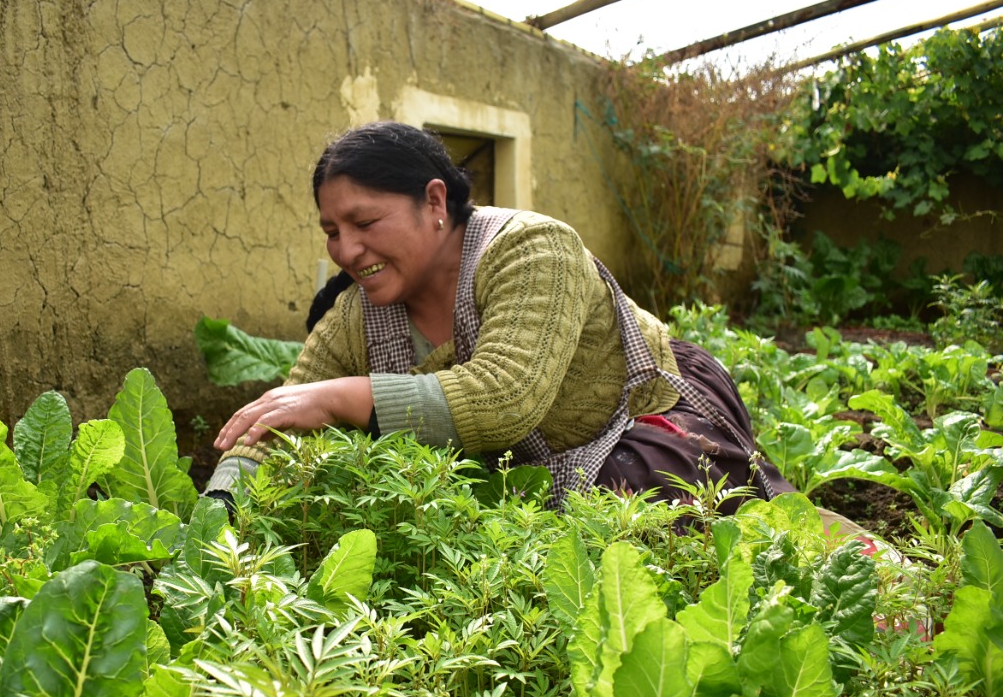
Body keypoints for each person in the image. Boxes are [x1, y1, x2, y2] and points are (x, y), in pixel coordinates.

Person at [206, 121, 794, 513]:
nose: (346, 250)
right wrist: (217, 511)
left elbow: (506, 397)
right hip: (524, 463)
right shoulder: (356, 315)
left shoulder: (531, 247)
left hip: (631, 411)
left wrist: (342, 397)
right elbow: (274, 420)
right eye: (332, 232)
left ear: (435, 202)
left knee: (641, 517)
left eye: (365, 224)